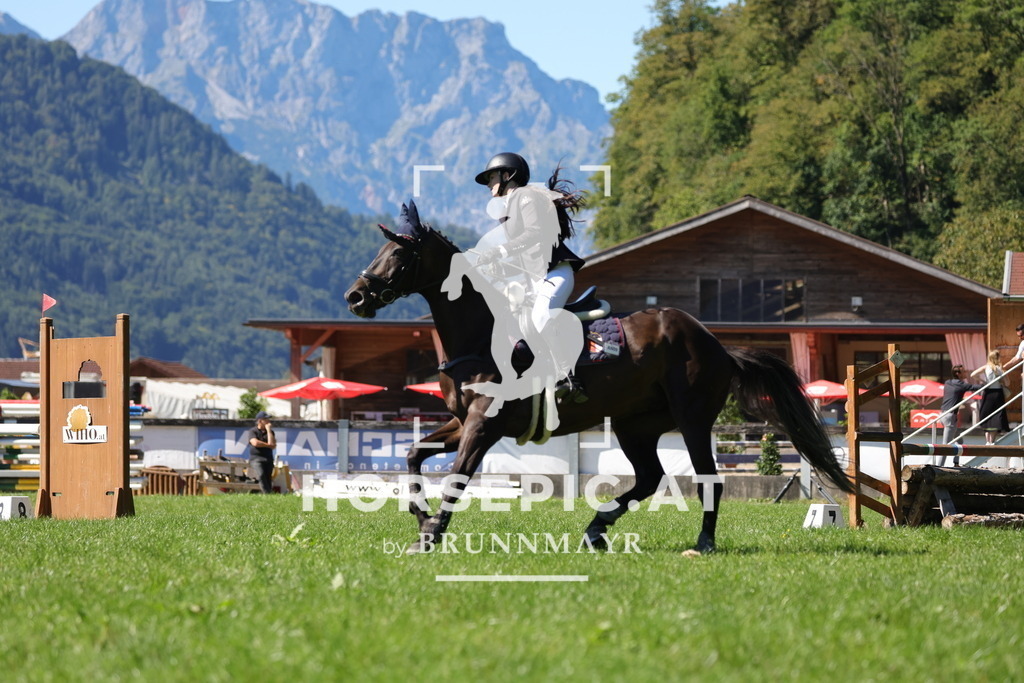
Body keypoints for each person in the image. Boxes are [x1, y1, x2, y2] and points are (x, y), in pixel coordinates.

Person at [470, 152, 588, 403]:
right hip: (536, 278)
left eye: (491, 177)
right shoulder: (508, 208)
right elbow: (523, 255)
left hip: (556, 273)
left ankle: (568, 377)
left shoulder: (526, 196)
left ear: (507, 175)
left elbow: (535, 233)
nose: (489, 184)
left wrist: (499, 251)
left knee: (541, 316)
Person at [971, 350, 1010, 444]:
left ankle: (988, 441)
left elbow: (973, 375)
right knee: (996, 415)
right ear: (997, 358)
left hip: (988, 393)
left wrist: (984, 382)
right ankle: (992, 441)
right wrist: (1001, 380)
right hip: (998, 394)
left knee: (986, 414)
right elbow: (1008, 383)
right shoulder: (1000, 368)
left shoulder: (986, 367)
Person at [940, 365, 983, 444]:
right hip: (950, 416)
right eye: (964, 371)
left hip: (942, 415)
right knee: (945, 446)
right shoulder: (961, 384)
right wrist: (991, 384)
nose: (966, 372)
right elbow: (975, 387)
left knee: (959, 442)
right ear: (958, 374)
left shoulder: (947, 382)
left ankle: (956, 456)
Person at [247, 411, 277, 493]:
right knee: (261, 475)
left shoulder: (270, 432)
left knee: (268, 477)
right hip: (256, 459)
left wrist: (268, 431)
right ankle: (267, 493)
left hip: (268, 458)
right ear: (260, 421)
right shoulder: (253, 431)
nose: (268, 421)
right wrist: (268, 445)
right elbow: (255, 443)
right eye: (266, 419)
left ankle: (268, 494)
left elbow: (273, 444)